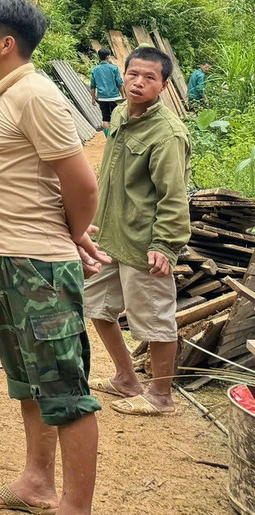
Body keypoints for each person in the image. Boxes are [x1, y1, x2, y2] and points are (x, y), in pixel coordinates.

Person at [0, 0, 108, 515]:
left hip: (38, 265)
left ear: (6, 44)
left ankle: (75, 506)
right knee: (29, 381)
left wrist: (73, 235)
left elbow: (82, 183)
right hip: (9, 260)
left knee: (64, 389)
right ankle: (36, 483)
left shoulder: (36, 94)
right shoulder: (2, 96)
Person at [85, 46, 191, 416]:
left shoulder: (167, 134)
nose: (138, 82)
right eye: (133, 74)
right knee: (97, 306)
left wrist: (165, 244)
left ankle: (161, 396)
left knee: (155, 320)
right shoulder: (118, 115)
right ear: (123, 75)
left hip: (144, 242)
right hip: (109, 235)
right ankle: (126, 378)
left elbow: (174, 195)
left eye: (149, 78)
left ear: (163, 86)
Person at [88, 49, 123, 136]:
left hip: (102, 98)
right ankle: (117, 137)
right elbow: (119, 83)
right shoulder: (114, 68)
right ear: (108, 57)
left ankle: (109, 138)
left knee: (105, 118)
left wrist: (93, 98)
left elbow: (92, 86)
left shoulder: (95, 70)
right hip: (115, 98)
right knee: (117, 117)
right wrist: (123, 95)